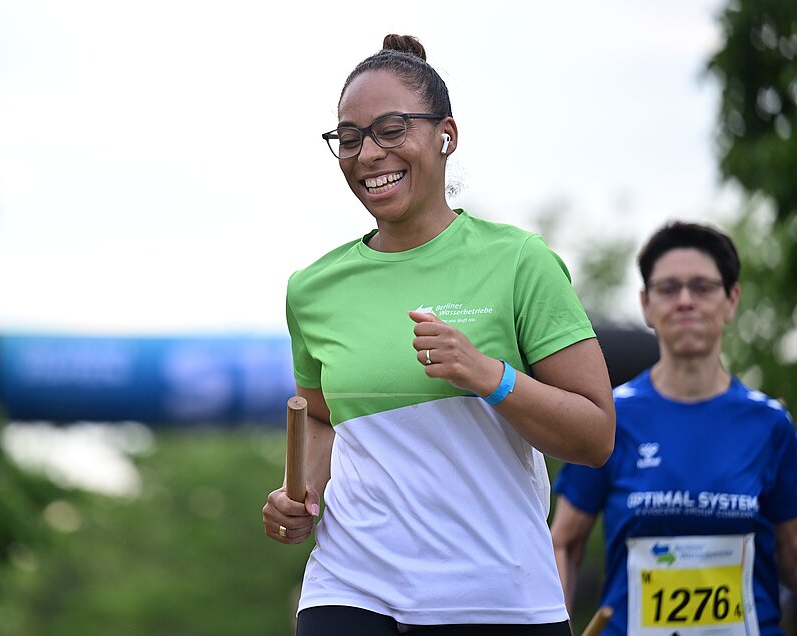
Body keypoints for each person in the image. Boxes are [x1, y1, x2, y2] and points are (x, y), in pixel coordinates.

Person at [261, 34, 615, 635]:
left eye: (392, 129)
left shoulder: (519, 262)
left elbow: (595, 436)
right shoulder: (312, 288)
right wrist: (301, 491)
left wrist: (491, 377)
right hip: (350, 587)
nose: (368, 152)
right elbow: (321, 416)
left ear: (446, 135)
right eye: (349, 137)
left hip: (496, 597)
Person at [551, 222, 797, 636]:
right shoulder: (612, 418)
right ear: (646, 305)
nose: (685, 301)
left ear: (732, 299)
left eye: (702, 287)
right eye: (668, 289)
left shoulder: (770, 424)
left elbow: (792, 556)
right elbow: (564, 542)